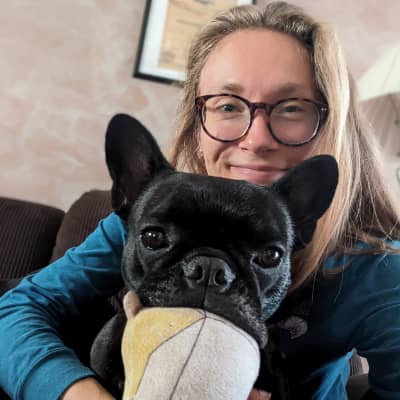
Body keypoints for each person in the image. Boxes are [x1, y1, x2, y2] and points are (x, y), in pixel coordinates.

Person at [1, 1, 399, 399]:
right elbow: (16, 311)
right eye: (228, 105)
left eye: (292, 108)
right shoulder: (154, 214)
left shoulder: (371, 266)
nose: (256, 138)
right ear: (196, 124)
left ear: (333, 125)